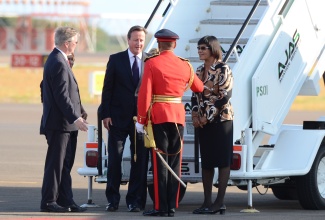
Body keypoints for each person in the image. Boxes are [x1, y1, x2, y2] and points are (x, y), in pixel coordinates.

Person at [136, 28, 204, 217]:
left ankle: (160, 207)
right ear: (174, 44)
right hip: (178, 117)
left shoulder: (152, 63)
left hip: (158, 117)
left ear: (159, 44)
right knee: (174, 163)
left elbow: (145, 94)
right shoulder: (185, 65)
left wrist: (141, 120)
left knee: (160, 165)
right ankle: (172, 206)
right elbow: (198, 87)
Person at [100, 25, 149, 212]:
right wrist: (106, 114)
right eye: (135, 39)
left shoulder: (149, 61)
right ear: (128, 40)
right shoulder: (116, 59)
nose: (139, 43)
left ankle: (134, 200)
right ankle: (112, 199)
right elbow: (107, 89)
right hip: (117, 118)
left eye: (142, 40)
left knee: (139, 161)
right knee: (115, 159)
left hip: (141, 121)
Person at [39, 26, 88, 213]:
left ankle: (67, 200)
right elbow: (61, 96)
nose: (76, 45)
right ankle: (49, 201)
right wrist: (74, 117)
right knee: (55, 164)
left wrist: (80, 111)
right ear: (67, 43)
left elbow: (62, 91)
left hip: (65, 123)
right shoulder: (58, 62)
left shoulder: (59, 59)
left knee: (65, 165)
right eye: (75, 42)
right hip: (60, 124)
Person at [191, 35, 234, 215]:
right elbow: (194, 95)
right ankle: (207, 201)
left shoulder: (223, 68)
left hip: (221, 120)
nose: (200, 51)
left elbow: (224, 97)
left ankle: (219, 202)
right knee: (207, 162)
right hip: (203, 122)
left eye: (203, 48)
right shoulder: (199, 70)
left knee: (223, 161)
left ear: (213, 49)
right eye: (199, 48)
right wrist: (194, 115)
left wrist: (206, 117)